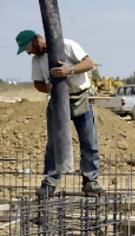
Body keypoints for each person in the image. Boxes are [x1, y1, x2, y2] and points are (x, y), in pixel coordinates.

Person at [15, 30, 104, 197]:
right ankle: (50, 182)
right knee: (54, 144)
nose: (28, 53)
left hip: (80, 98)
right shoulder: (37, 60)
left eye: (28, 49)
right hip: (56, 101)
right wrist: (47, 87)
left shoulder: (67, 45)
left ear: (36, 41)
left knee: (89, 141)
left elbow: (89, 63)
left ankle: (90, 181)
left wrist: (69, 70)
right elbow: (38, 83)